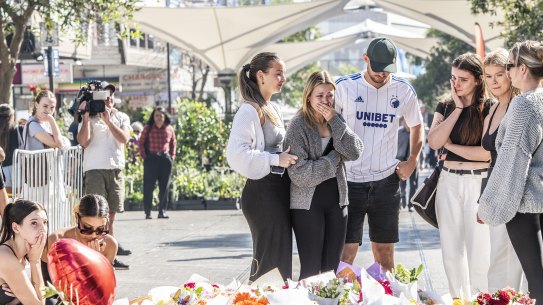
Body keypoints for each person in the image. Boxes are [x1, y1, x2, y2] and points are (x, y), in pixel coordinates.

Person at [335, 37, 424, 271]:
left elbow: (417, 126)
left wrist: (412, 160)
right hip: (350, 180)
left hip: (386, 180)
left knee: (385, 254)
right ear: (365, 59)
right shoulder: (344, 87)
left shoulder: (403, 90)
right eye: (377, 68)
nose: (381, 74)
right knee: (346, 252)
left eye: (387, 70)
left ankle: (386, 295)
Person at [478, 40, 543, 301]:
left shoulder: (524, 105)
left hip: (524, 202)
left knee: (536, 280)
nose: (508, 71)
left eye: (509, 66)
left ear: (523, 69)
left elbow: (512, 159)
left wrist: (489, 204)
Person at [226, 52, 298, 282]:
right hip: (261, 193)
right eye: (278, 74)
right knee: (269, 262)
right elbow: (236, 155)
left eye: (283, 74)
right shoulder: (248, 111)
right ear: (261, 76)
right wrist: (275, 159)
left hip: (276, 192)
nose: (283, 79)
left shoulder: (270, 108)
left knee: (279, 259)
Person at [284, 70, 362, 279]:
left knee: (331, 270)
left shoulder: (336, 120)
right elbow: (301, 174)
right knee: (310, 270)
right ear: (308, 96)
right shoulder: (297, 126)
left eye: (330, 95)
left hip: (337, 202)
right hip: (307, 205)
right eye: (320, 96)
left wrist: (335, 122)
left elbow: (355, 151)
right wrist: (334, 159)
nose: (326, 101)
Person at [428, 53, 493, 298]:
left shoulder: (489, 107)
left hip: (478, 183)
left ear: (477, 80)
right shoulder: (445, 105)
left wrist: (451, 147)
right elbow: (434, 142)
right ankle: (458, 300)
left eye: (463, 79)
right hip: (449, 183)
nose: (456, 84)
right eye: (453, 78)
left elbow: (486, 154)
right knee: (451, 251)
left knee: (479, 252)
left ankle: (481, 299)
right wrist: (457, 109)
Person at [480, 48, 523, 292]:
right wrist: (484, 198)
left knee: (513, 258)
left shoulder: (519, 106)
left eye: (499, 74)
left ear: (510, 74)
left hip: (514, 192)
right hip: (494, 191)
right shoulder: (493, 109)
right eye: (488, 76)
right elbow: (489, 159)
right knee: (497, 256)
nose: (493, 81)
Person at [77, 82, 131, 270]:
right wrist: (85, 118)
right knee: (94, 215)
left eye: (111, 96)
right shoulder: (89, 117)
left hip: (115, 169)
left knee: (111, 216)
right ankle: (91, 255)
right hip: (94, 169)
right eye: (104, 97)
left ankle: (109, 256)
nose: (108, 100)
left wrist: (108, 121)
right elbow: (84, 142)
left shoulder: (121, 116)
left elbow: (124, 138)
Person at [40, 194, 118, 304]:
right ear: (77, 218)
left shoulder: (109, 245)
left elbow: (100, 291)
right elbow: (46, 284)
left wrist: (96, 262)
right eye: (87, 229)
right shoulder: (57, 240)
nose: (93, 235)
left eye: (100, 230)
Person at [0, 199, 48, 305]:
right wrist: (35, 260)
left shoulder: (25, 254)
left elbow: (40, 299)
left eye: (44, 222)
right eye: (34, 223)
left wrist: (19, 296)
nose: (43, 229)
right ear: (16, 227)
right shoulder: (6, 258)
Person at [138, 107, 176, 219]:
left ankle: (162, 211)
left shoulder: (169, 129)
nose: (159, 118)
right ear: (153, 117)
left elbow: (173, 143)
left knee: (164, 187)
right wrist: (145, 157)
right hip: (151, 159)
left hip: (165, 160)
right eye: (157, 115)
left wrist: (172, 156)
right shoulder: (147, 128)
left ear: (165, 117)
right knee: (148, 187)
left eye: (161, 115)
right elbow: (141, 143)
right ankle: (148, 212)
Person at [0, 104, 24, 194]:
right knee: (17, 197)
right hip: (17, 167)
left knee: (5, 198)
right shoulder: (19, 129)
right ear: (11, 116)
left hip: (2, 168)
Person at [396, 118, 418, 212]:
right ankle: (402, 199)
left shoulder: (416, 131)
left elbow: (420, 146)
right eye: (404, 121)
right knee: (401, 184)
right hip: (401, 160)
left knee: (413, 184)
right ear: (402, 122)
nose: (406, 123)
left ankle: (410, 204)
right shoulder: (399, 132)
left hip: (413, 161)